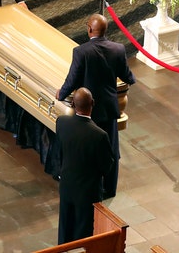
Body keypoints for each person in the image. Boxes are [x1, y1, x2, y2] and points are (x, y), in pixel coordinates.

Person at [56, 13, 136, 199]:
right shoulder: (118, 49)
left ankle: (91, 187)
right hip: (108, 108)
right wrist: (130, 79)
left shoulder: (81, 52)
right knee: (111, 150)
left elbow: (73, 78)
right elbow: (127, 76)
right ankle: (110, 189)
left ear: (89, 29)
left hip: (87, 110)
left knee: (88, 148)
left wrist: (62, 92)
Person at [57, 87, 114, 244]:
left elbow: (60, 151)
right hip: (87, 192)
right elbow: (106, 166)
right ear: (93, 103)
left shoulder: (62, 123)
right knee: (83, 235)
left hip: (67, 186)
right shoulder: (99, 135)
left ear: (73, 104)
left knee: (65, 228)